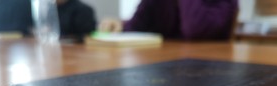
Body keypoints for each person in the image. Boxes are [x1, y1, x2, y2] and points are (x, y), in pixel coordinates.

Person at [100, 0, 238, 40]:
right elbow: (135, 26)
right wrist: (120, 25)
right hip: (165, 72)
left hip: (211, 72)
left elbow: (194, 30)